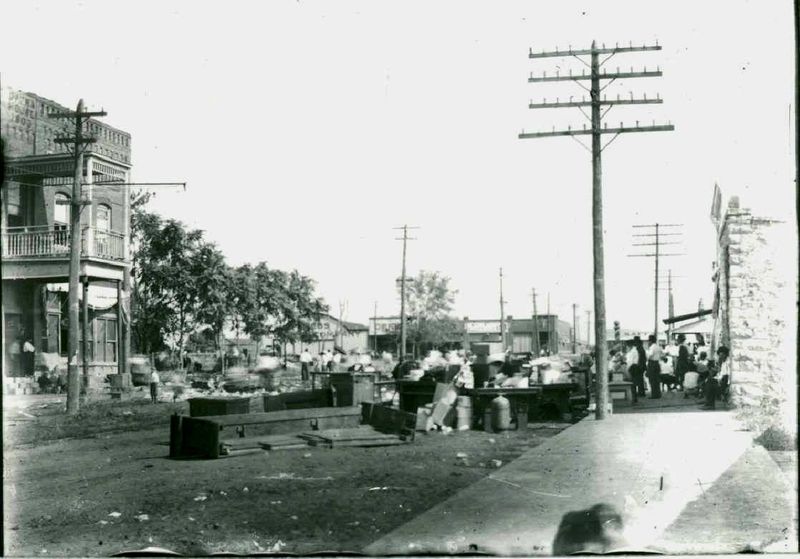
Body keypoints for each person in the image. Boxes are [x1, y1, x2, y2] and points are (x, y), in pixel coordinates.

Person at [701, 345, 730, 410]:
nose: (720, 356)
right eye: (719, 355)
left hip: (725, 381)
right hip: (721, 379)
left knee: (710, 383)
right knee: (708, 380)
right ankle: (708, 401)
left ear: (725, 354)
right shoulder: (723, 363)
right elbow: (721, 374)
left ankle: (710, 404)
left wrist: (726, 384)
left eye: (722, 355)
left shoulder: (728, 363)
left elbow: (727, 375)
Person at [645, 335, 662, 399]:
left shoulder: (652, 347)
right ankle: (658, 393)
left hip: (652, 363)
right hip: (657, 363)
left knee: (652, 379)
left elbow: (649, 356)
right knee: (657, 379)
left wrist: (647, 352)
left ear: (650, 341)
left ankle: (654, 394)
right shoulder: (658, 347)